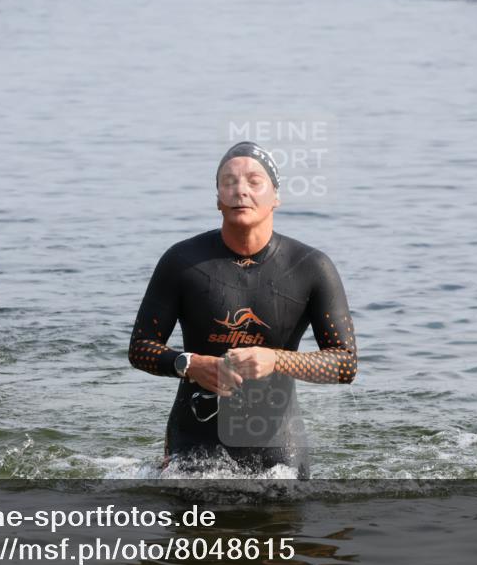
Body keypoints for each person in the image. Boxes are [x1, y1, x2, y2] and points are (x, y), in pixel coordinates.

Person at [128, 142, 357, 478]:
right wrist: (190, 364)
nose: (240, 191)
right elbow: (140, 348)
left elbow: (345, 363)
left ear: (276, 196)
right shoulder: (181, 261)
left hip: (280, 453)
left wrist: (277, 360)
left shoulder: (311, 266)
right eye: (229, 182)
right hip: (193, 448)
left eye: (254, 181)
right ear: (218, 198)